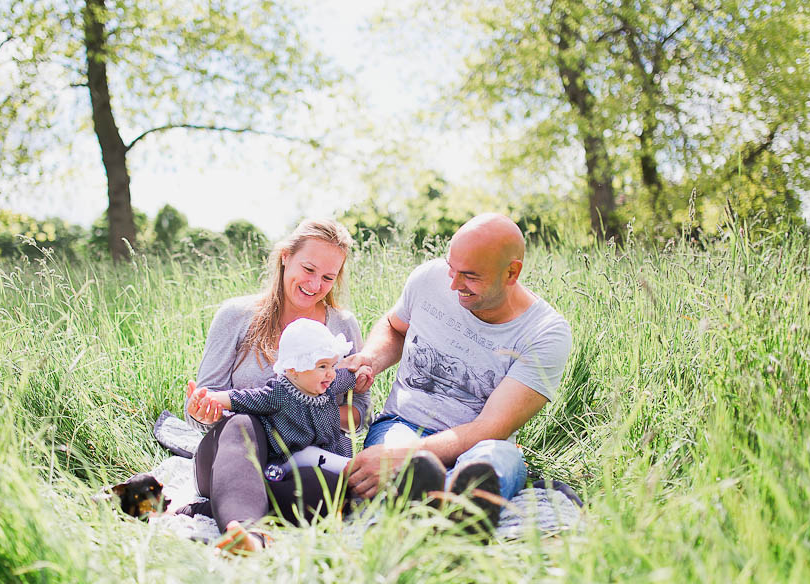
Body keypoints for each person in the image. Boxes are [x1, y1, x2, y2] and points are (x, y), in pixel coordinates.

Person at [342, 213, 572, 530]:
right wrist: (370, 358)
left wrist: (403, 457)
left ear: (511, 273)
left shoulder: (545, 333)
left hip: (479, 444)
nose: (453, 284)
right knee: (398, 449)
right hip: (403, 424)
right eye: (451, 268)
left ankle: (445, 502)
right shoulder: (429, 279)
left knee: (499, 460)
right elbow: (395, 328)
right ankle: (448, 506)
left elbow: (490, 428)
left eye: (470, 276)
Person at [181, 219, 371, 552]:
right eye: (308, 269)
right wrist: (204, 409)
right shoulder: (236, 317)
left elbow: (360, 411)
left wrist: (303, 411)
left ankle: (226, 510)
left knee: (324, 484)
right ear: (285, 257)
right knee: (244, 421)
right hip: (232, 456)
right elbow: (202, 409)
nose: (315, 284)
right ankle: (246, 533)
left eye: (328, 277)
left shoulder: (342, 325)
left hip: (296, 463)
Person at [187, 318, 362, 475]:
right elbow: (243, 399)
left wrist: (361, 373)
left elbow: (347, 377)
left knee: (341, 473)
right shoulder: (280, 394)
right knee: (334, 469)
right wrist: (209, 398)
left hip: (331, 450)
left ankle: (352, 480)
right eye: (322, 366)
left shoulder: (328, 384)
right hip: (293, 458)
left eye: (333, 365)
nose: (331, 373)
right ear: (294, 369)